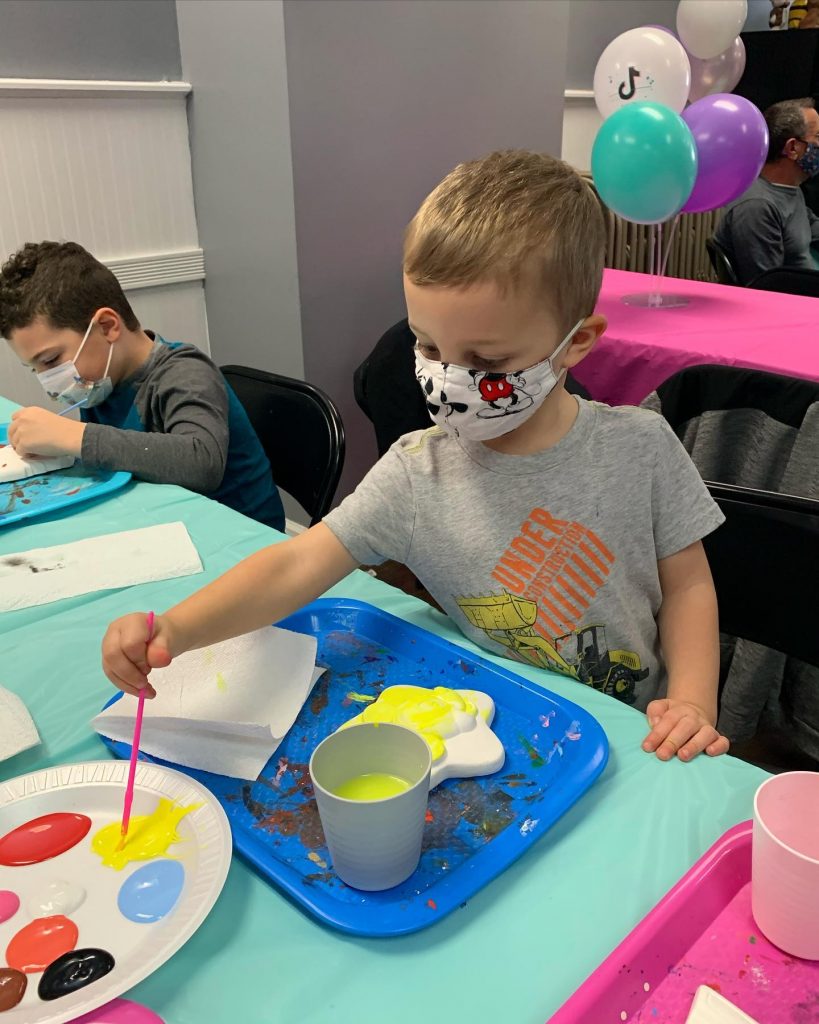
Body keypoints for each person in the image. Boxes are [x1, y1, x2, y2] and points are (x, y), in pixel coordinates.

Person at [102, 151, 730, 764]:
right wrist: (176, 631)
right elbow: (294, 565)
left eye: (486, 361)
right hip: (504, 736)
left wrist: (692, 702)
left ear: (577, 344)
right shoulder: (415, 471)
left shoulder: (642, 446)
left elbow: (689, 586)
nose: (450, 377)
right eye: (428, 345)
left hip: (633, 737)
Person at [0, 241, 284, 530]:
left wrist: (75, 437)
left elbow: (202, 463)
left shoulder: (185, 372)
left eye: (51, 360)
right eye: (34, 368)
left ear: (107, 326)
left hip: (241, 534)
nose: (48, 382)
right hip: (166, 520)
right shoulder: (100, 385)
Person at [714, 98, 819, 285]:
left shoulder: (790, 189)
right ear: (792, 148)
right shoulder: (757, 207)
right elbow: (768, 287)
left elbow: (811, 226)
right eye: (818, 136)